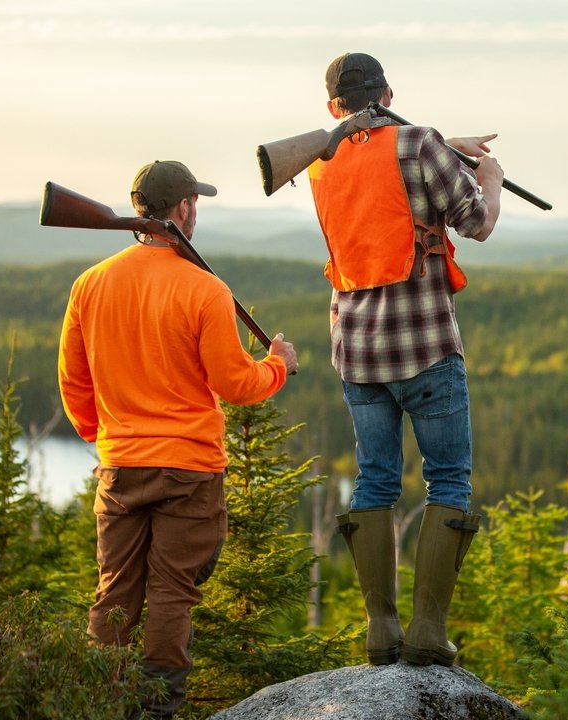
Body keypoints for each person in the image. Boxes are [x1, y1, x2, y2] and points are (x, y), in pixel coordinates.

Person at [58, 160, 299, 719]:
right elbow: (235, 385)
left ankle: (99, 702)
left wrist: (109, 439)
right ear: (184, 207)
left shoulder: (89, 284)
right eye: (197, 203)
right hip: (189, 472)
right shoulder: (205, 289)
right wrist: (277, 365)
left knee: (114, 593)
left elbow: (74, 382)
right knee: (172, 593)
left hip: (120, 468)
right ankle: (158, 709)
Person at [312, 51, 502, 668]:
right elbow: (476, 222)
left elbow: (378, 161)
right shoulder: (418, 144)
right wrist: (490, 177)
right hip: (424, 344)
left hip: (358, 351)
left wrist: (443, 141)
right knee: (447, 480)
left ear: (331, 107)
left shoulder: (320, 158)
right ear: (390, 89)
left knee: (375, 482)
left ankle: (380, 631)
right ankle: (427, 633)